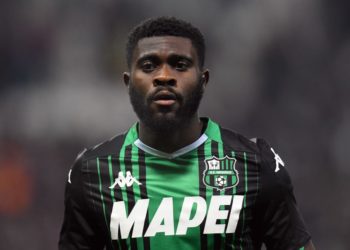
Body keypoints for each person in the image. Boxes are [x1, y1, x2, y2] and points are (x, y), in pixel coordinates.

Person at [59, 16, 315, 250]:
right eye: (149, 66)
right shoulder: (93, 172)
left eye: (180, 65)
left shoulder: (255, 165)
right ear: (128, 83)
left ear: (203, 80)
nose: (164, 77)